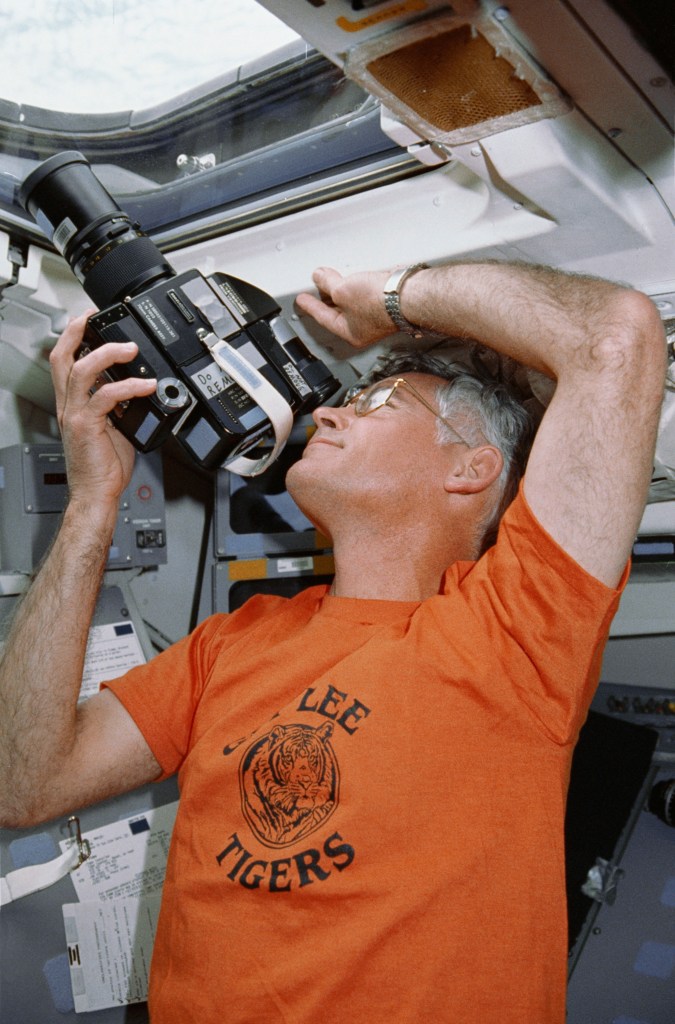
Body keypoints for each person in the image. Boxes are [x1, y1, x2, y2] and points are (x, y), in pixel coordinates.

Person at [0, 259, 666, 1023]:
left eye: (377, 402)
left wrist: (393, 301)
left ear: (472, 470)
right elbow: (23, 783)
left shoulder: (513, 632)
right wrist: (92, 505)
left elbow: (615, 336)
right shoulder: (233, 643)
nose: (328, 416)